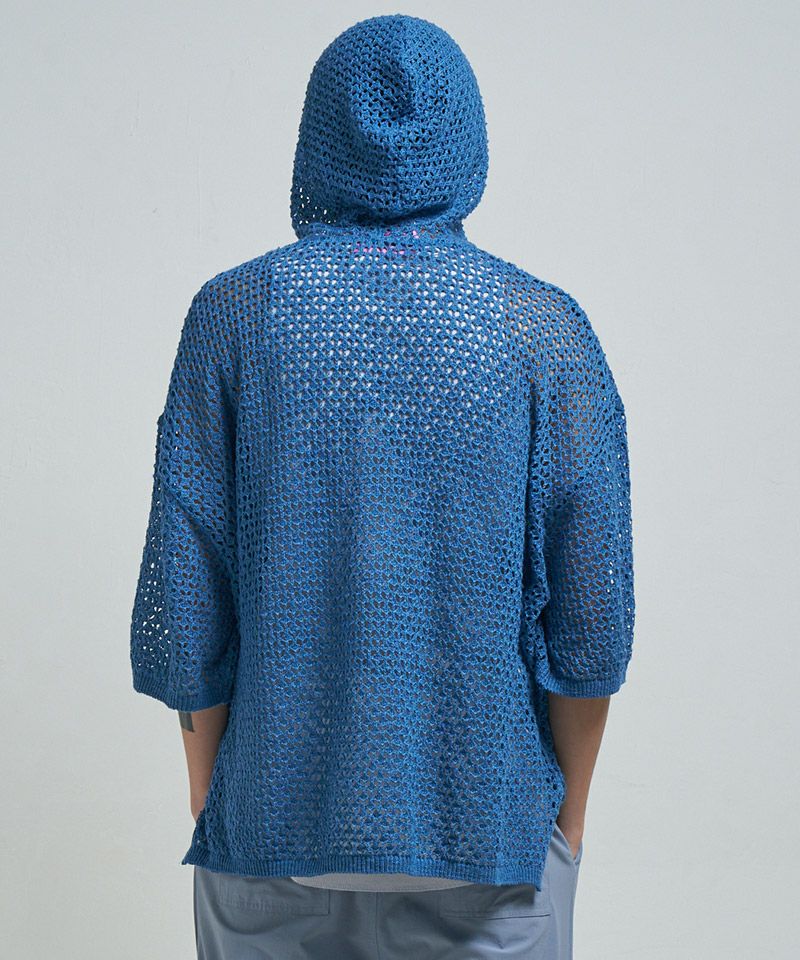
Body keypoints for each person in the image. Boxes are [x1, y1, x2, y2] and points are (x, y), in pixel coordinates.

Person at [130, 13, 635, 959]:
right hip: (489, 840)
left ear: (316, 139)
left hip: (269, 832)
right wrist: (565, 825)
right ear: (467, 142)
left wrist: (214, 799)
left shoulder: (233, 315)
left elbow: (188, 605)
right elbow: (590, 621)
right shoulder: (541, 330)